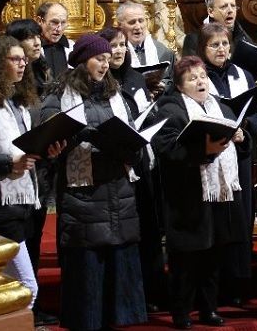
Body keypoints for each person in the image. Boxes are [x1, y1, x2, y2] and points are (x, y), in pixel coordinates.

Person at [39, 34, 147, 331]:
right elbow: (49, 144)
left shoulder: (117, 94)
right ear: (83, 61)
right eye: (99, 58)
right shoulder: (60, 96)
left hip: (119, 189)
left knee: (118, 270)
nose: (105, 62)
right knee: (87, 269)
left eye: (106, 58)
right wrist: (77, 138)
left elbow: (134, 138)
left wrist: (128, 145)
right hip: (83, 195)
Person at [150, 56, 250, 329]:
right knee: (186, 260)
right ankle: (181, 312)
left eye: (202, 76)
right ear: (181, 86)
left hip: (219, 197)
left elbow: (240, 144)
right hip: (187, 196)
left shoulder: (221, 107)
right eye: (192, 78)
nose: (200, 81)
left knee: (213, 256)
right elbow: (166, 149)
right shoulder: (170, 109)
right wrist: (203, 151)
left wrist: (242, 138)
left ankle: (209, 309)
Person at [0, 36, 64, 326]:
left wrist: (49, 151)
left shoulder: (17, 105)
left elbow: (28, 151)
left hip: (24, 203)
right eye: (14, 59)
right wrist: (9, 163)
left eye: (23, 59)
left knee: (9, 291)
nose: (22, 64)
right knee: (27, 289)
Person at [98, 27, 168, 313]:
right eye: (112, 46)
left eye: (122, 45)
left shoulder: (136, 78)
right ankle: (131, 292)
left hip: (144, 162)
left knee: (150, 229)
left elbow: (147, 113)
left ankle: (153, 290)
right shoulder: (102, 81)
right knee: (128, 232)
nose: (118, 51)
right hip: (119, 167)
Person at [195, 22, 257, 307]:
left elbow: (256, 115)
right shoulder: (198, 77)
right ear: (203, 49)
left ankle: (238, 283)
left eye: (224, 44)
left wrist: (246, 132)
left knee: (239, 219)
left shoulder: (242, 75)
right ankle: (212, 287)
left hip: (238, 157)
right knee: (215, 222)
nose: (221, 49)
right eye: (214, 45)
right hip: (208, 157)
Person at [3, 19, 57, 326]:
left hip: (39, 168)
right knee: (21, 243)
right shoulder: (8, 87)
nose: (37, 43)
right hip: (14, 175)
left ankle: (32, 307)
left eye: (38, 37)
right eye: (29, 38)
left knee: (34, 239)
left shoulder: (41, 71)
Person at [117, 1, 175, 97]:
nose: (138, 26)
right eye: (132, 22)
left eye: (141, 21)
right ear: (120, 25)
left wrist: (162, 86)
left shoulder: (163, 52)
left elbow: (172, 81)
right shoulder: (116, 53)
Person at [182, 0, 256, 57]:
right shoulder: (194, 40)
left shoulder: (243, 37)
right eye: (224, 6)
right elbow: (190, 69)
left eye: (233, 6)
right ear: (211, 12)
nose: (230, 10)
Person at [35, 1, 72, 80]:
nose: (59, 28)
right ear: (39, 21)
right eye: (54, 22)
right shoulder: (32, 47)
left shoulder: (72, 47)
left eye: (63, 23)